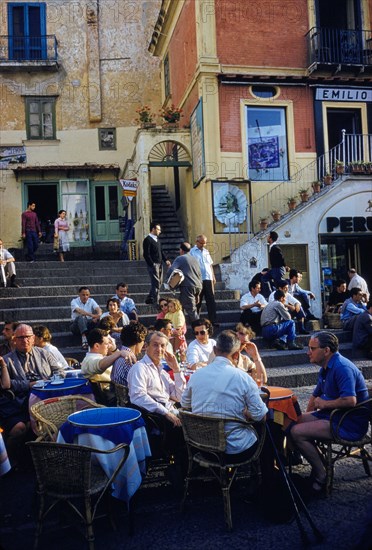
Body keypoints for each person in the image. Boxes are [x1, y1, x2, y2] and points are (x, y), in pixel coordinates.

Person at [290, 331, 369, 494]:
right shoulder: (326, 367)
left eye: (312, 348)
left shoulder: (342, 367)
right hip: (332, 416)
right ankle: (320, 462)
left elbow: (350, 401)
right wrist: (308, 416)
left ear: (326, 350)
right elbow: (314, 396)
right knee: (290, 421)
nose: (308, 352)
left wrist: (324, 404)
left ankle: (321, 474)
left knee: (296, 432)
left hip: (347, 423)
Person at [181, 330, 268, 461]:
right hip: (236, 450)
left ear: (215, 350)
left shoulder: (196, 375)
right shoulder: (243, 378)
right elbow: (260, 415)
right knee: (268, 429)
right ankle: (269, 474)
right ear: (237, 354)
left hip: (202, 446)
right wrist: (246, 413)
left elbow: (185, 405)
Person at [1, 324, 65, 463]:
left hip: (47, 399)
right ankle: (13, 461)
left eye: (28, 337)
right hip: (20, 403)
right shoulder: (7, 360)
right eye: (21, 337)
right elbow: (6, 385)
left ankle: (51, 457)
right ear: (15, 340)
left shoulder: (44, 353)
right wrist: (27, 385)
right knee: (21, 428)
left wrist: (48, 381)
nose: (25, 340)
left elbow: (60, 371)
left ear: (33, 338)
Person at [127, 331, 186, 426]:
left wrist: (176, 370)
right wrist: (165, 412)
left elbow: (179, 397)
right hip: (157, 418)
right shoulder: (140, 368)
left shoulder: (162, 372)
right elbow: (138, 396)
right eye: (155, 345)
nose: (159, 349)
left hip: (171, 411)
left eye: (163, 346)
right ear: (146, 346)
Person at [166, 242, 202, 322]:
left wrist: (167, 279)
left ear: (181, 250)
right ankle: (180, 326)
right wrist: (198, 294)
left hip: (187, 286)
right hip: (197, 286)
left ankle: (199, 327)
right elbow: (199, 274)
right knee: (179, 306)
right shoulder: (195, 259)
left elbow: (171, 270)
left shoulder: (180, 258)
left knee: (191, 311)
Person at [190, 234, 218, 326]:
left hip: (208, 278)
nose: (203, 245)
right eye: (201, 243)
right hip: (198, 279)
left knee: (211, 301)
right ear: (197, 242)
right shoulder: (192, 252)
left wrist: (213, 276)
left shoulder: (206, 251)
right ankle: (196, 321)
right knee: (198, 301)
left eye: (204, 243)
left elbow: (210, 265)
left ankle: (213, 321)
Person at [111, 321, 148, 386]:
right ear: (138, 341)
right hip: (130, 394)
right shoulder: (129, 360)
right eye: (143, 341)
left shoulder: (120, 355)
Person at [143, 222, 170, 305]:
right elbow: (146, 254)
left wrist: (166, 260)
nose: (160, 231)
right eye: (158, 229)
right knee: (156, 283)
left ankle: (150, 297)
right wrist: (152, 264)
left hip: (160, 263)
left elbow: (161, 251)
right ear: (153, 229)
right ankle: (156, 300)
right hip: (153, 265)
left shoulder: (157, 240)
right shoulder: (147, 240)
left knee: (159, 282)